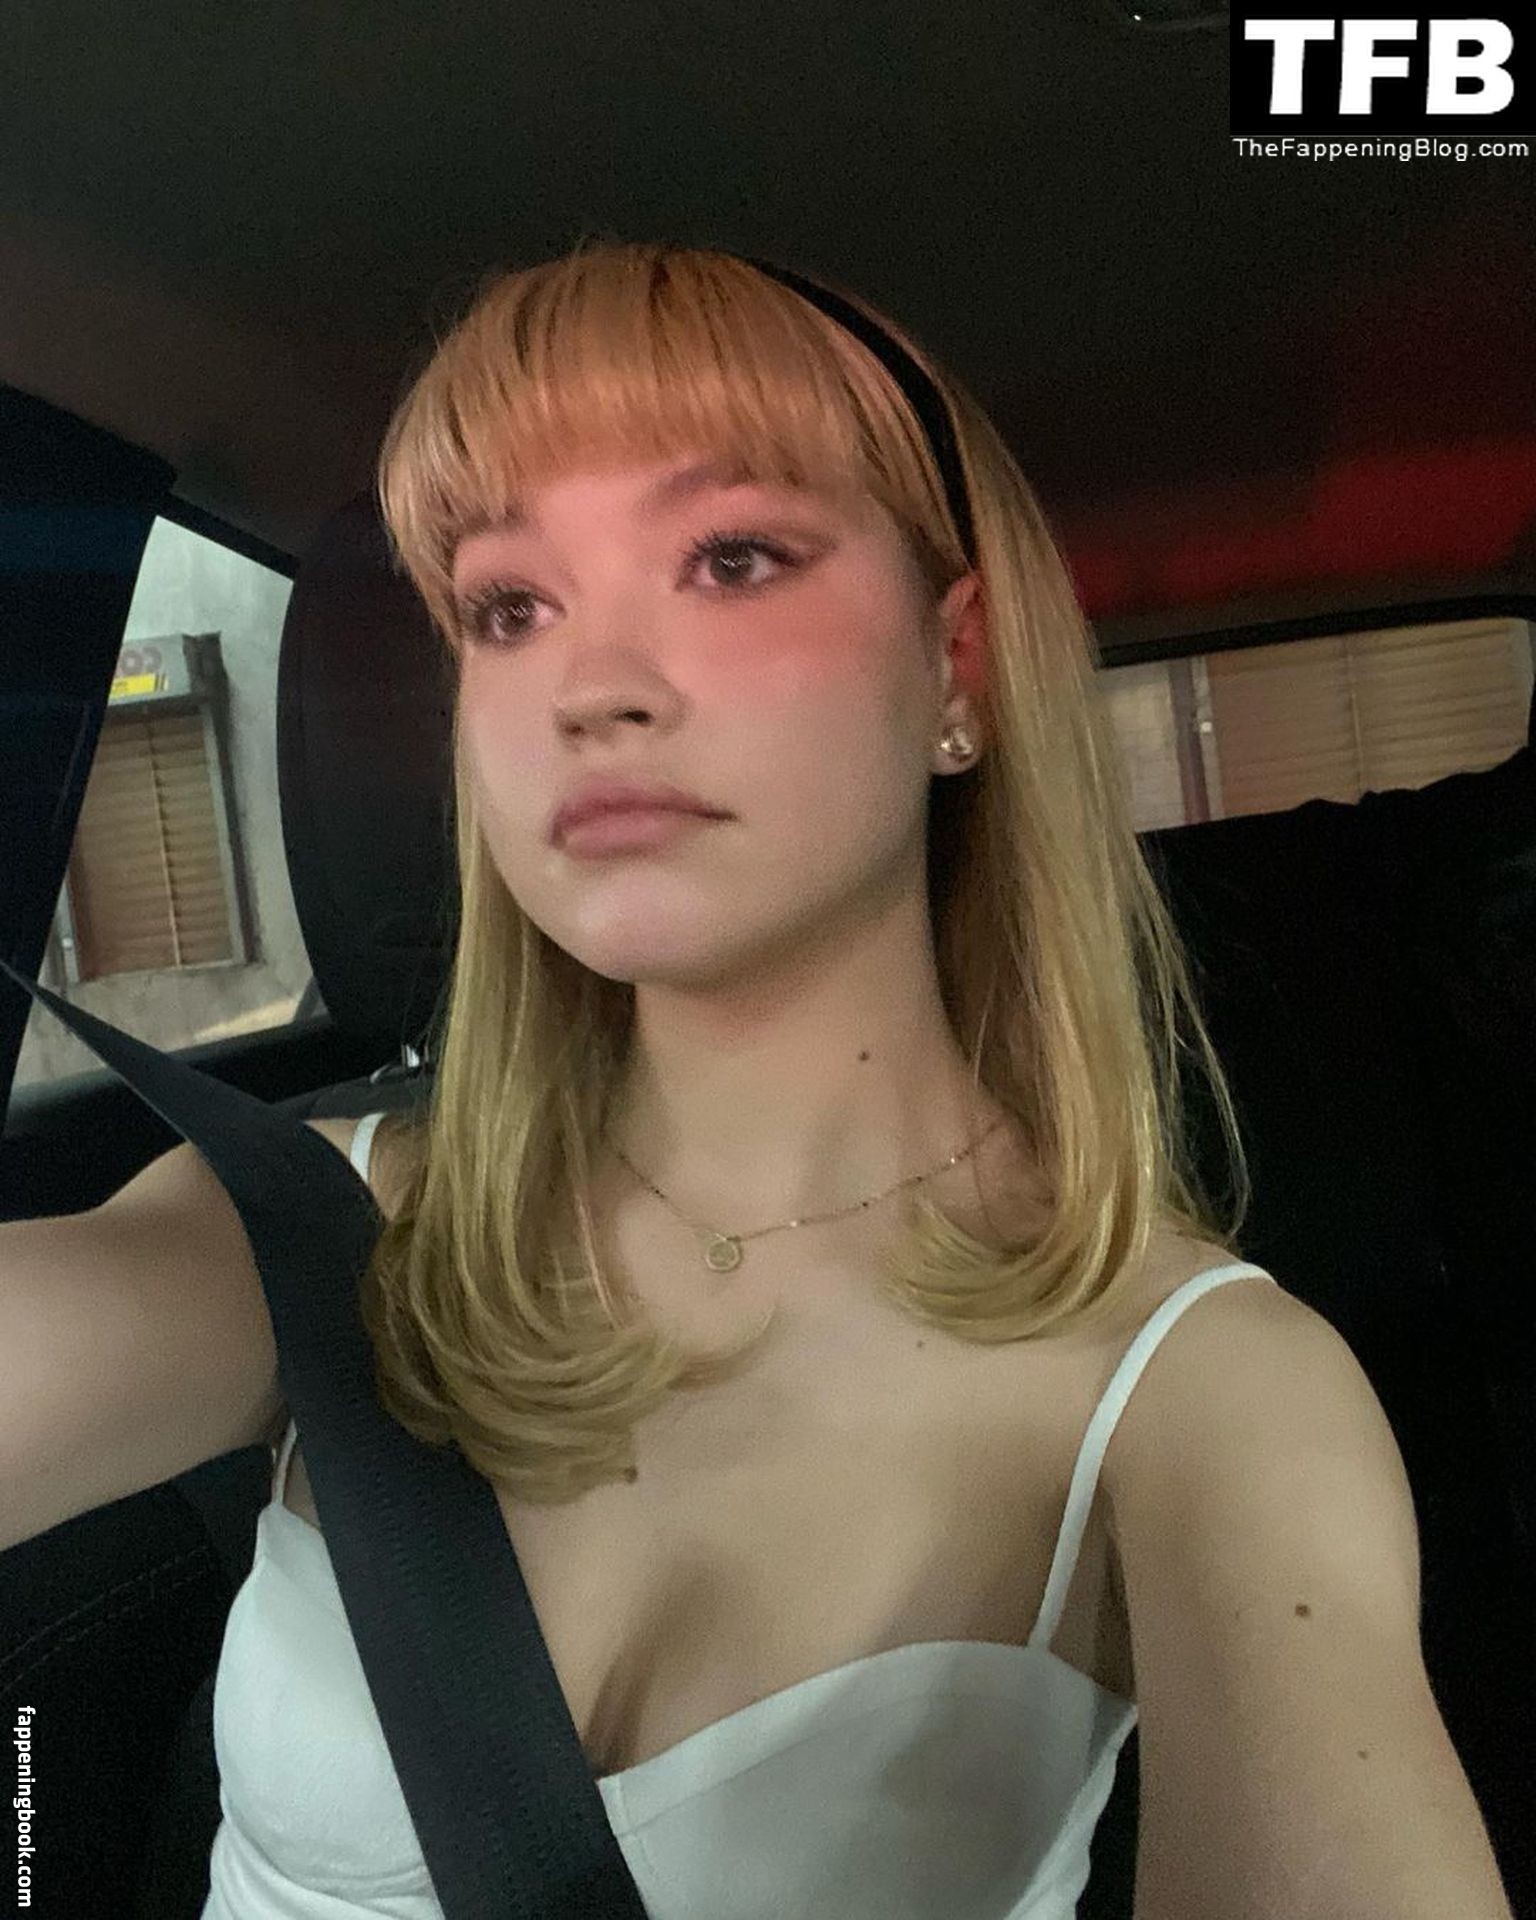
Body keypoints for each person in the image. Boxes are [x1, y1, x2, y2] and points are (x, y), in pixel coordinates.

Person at [3, 239, 1512, 1919]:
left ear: (957, 670)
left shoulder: (1206, 1403)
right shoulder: (299, 1227)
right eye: (509, 608)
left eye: (732, 559)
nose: (591, 689)